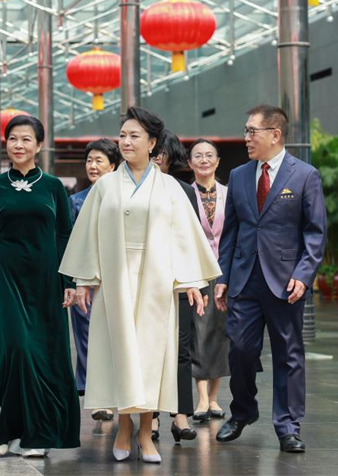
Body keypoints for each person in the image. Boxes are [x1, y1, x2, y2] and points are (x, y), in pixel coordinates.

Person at [60, 106, 221, 464]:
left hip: (157, 283)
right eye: (124, 135)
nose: (127, 141)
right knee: (119, 355)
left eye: (135, 136)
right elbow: (87, 235)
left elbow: (184, 236)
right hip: (115, 281)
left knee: (151, 357)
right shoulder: (104, 187)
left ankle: (146, 431)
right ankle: (123, 425)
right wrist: (84, 281)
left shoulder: (169, 188)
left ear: (152, 143)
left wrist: (193, 281)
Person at [214, 105, 326, 454]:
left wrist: (304, 276)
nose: (246, 138)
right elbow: (230, 232)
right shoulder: (239, 175)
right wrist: (223, 276)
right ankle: (243, 411)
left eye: (252, 131)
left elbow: (315, 232)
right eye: (246, 131)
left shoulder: (305, 175)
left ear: (275, 134)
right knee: (242, 351)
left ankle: (288, 426)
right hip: (244, 279)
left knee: (288, 355)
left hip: (286, 281)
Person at [0, 115, 80, 458]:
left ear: (39, 145)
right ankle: (4, 428)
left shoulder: (52, 187)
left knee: (43, 355)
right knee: (12, 351)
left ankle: (38, 434)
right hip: (6, 280)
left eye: (26, 139)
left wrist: (69, 280)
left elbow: (65, 234)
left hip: (46, 280)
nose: (19, 145)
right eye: (13, 139)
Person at [151, 129, 202, 443]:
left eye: (161, 157)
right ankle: (151, 417)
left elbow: (191, 241)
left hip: (178, 282)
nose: (156, 162)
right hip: (145, 281)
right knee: (151, 350)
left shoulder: (184, 191)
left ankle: (181, 415)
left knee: (182, 349)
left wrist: (193, 281)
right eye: (153, 155)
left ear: (170, 159)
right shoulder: (131, 191)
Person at [68, 138, 120, 422]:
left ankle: (118, 392)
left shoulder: (124, 199)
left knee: (116, 337)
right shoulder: (75, 201)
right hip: (86, 282)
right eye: (89, 160)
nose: (93, 165)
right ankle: (99, 398)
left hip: (118, 279)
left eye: (99, 160)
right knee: (88, 340)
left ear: (113, 165)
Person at [187, 139, 231, 422]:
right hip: (194, 273)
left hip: (225, 273)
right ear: (190, 163)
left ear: (217, 162)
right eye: (197, 156)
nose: (203, 160)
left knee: (221, 334)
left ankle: (214, 399)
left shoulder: (231, 193)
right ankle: (201, 399)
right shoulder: (182, 195)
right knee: (198, 333)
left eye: (209, 156)